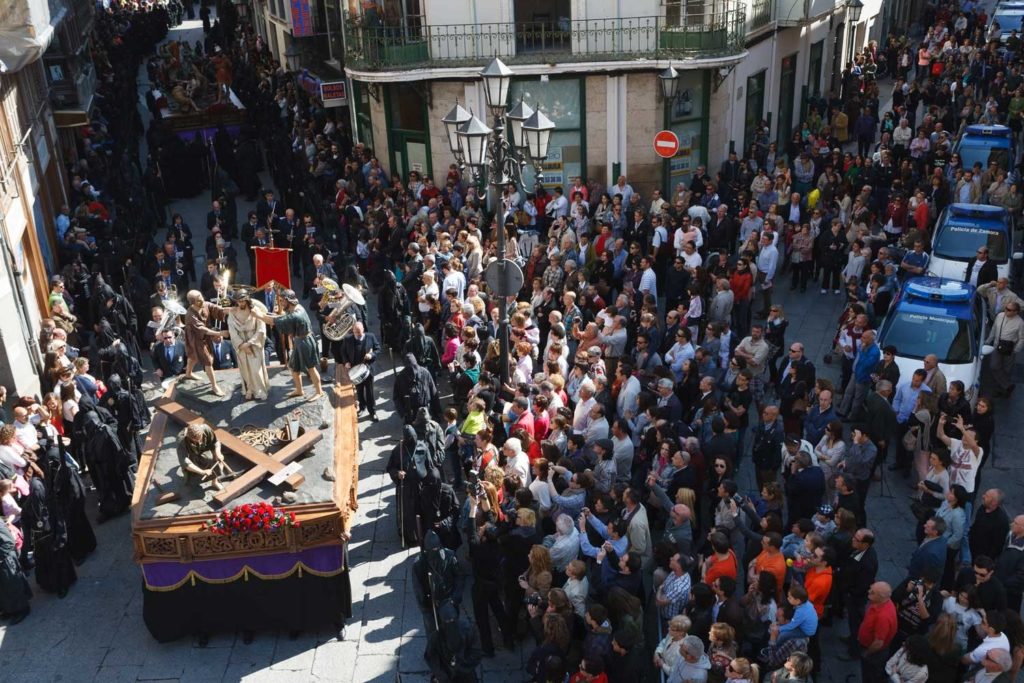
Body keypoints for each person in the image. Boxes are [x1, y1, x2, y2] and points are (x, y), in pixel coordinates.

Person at [253, 289, 323, 399]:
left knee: (311, 368)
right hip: (300, 341)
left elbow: (274, 321)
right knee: (294, 367)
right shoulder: (295, 307)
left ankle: (319, 392)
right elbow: (281, 317)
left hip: (305, 342)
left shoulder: (296, 314)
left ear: (288, 300)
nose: (281, 303)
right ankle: (299, 390)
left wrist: (258, 315)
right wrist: (268, 314)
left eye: (282, 300)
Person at [225, 288, 269, 400]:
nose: (241, 303)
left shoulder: (255, 311)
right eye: (239, 301)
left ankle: (260, 390)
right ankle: (249, 389)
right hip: (241, 345)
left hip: (254, 343)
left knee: (256, 369)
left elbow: (261, 329)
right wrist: (241, 345)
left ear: (247, 300)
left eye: (243, 301)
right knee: (245, 369)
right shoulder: (233, 313)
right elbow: (232, 331)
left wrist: (249, 343)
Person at [182, 290, 227, 396]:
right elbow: (202, 329)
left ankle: (188, 373)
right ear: (192, 302)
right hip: (195, 338)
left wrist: (232, 310)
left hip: (204, 336)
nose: (202, 300)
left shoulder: (205, 304)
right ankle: (214, 386)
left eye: (202, 297)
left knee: (193, 356)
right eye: (198, 300)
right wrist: (220, 333)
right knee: (208, 361)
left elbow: (218, 309)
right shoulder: (190, 315)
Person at [387, 426, 427, 547]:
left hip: (420, 485)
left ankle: (422, 534)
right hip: (406, 488)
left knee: (422, 510)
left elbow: (429, 464)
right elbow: (390, 468)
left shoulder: (422, 446)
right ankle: (410, 537)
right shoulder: (398, 450)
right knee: (408, 513)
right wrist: (397, 474)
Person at [339, 321, 380, 421]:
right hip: (355, 371)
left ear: (363, 330)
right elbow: (343, 351)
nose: (358, 334)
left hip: (368, 369)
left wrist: (371, 355)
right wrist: (346, 362)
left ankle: (372, 411)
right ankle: (362, 407)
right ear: (353, 331)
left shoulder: (370, 336)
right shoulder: (348, 339)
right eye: (356, 332)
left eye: (360, 332)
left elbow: (378, 349)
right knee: (359, 391)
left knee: (370, 392)